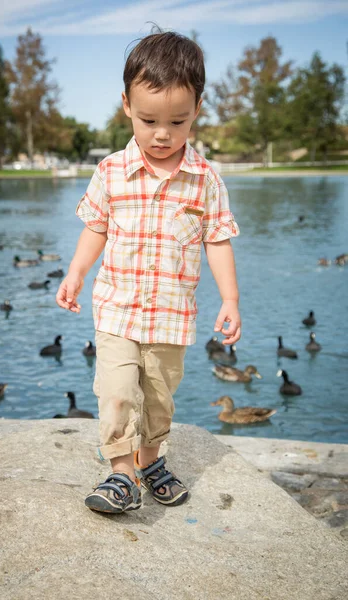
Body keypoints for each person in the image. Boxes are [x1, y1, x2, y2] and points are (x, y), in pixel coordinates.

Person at [56, 30, 241, 514]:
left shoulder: (206, 180)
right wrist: (76, 272)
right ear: (126, 106)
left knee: (158, 397)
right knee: (117, 392)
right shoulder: (111, 171)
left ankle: (152, 461)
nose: (162, 133)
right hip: (116, 310)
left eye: (177, 121)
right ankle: (120, 473)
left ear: (197, 108)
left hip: (170, 318)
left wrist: (231, 299)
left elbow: (217, 240)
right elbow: (95, 227)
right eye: (148, 120)